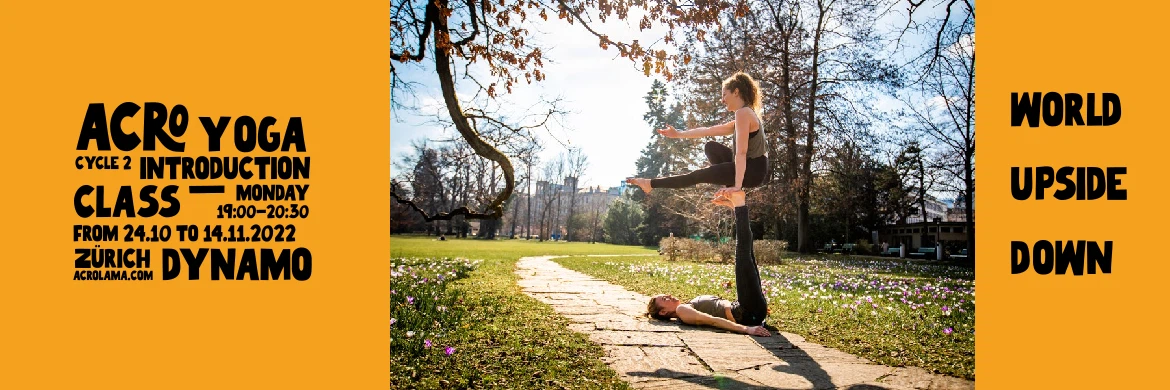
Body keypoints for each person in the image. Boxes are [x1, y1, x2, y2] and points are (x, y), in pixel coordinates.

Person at [645, 190, 771, 337]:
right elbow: (712, 321)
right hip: (746, 312)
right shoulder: (681, 311)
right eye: (664, 299)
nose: (669, 295)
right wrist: (746, 330)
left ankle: (738, 209)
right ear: (663, 312)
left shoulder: (686, 307)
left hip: (749, 310)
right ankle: (739, 207)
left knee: (746, 252)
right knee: (743, 253)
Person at [626, 72, 769, 199]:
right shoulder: (744, 114)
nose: (722, 100)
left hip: (753, 171)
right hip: (753, 168)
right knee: (711, 147)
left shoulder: (743, 113)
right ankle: (731, 189)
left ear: (736, 92)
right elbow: (708, 130)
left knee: (698, 175)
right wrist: (678, 134)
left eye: (724, 94)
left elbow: (741, 152)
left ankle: (650, 184)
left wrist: (737, 187)